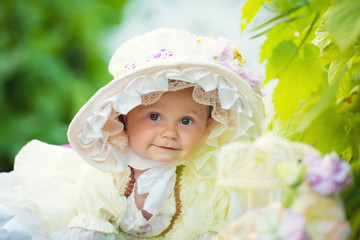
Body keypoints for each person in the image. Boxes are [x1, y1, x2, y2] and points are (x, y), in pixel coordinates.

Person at [0, 28, 266, 239]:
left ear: (209, 126)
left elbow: (213, 230)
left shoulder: (205, 180)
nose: (170, 132)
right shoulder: (105, 173)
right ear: (123, 118)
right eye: (154, 117)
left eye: (186, 121)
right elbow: (91, 229)